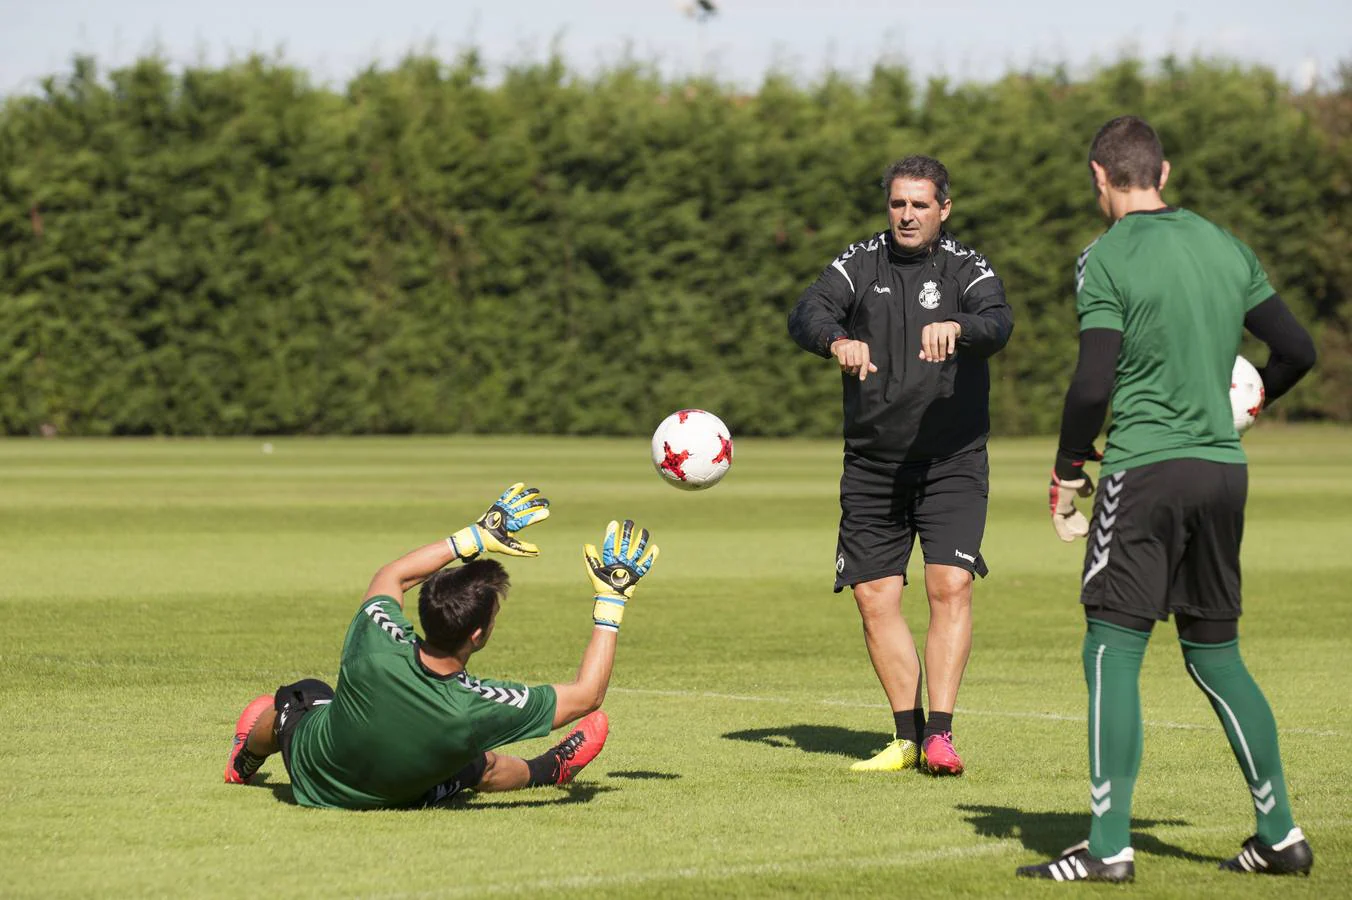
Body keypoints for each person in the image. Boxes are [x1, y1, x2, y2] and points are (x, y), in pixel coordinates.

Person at [1017, 116, 1317, 883]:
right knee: (1216, 655)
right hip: (1223, 470)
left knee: (1112, 650)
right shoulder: (1225, 245)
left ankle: (1109, 846)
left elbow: (1091, 383)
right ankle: (1279, 834)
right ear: (1165, 172)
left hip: (1144, 471)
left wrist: (1068, 466)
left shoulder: (1105, 256)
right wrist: (1245, 407)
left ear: (1098, 177)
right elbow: (1297, 351)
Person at [222, 483, 659, 809]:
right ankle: (550, 770)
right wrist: (612, 598)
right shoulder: (475, 706)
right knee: (477, 763)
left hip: (310, 770)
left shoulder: (376, 641)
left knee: (295, 703)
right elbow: (588, 697)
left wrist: (472, 537)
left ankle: (244, 760)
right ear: (477, 636)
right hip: (396, 797)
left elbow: (391, 576)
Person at [788, 155, 1014, 776]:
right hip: (872, 464)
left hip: (951, 459)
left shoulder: (968, 267)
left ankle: (940, 734)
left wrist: (961, 328)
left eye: (920, 204)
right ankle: (905, 736)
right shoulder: (858, 263)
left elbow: (999, 323)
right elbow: (806, 312)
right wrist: (836, 339)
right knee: (874, 595)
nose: (907, 215)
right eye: (897, 204)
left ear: (944, 208)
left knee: (951, 585)